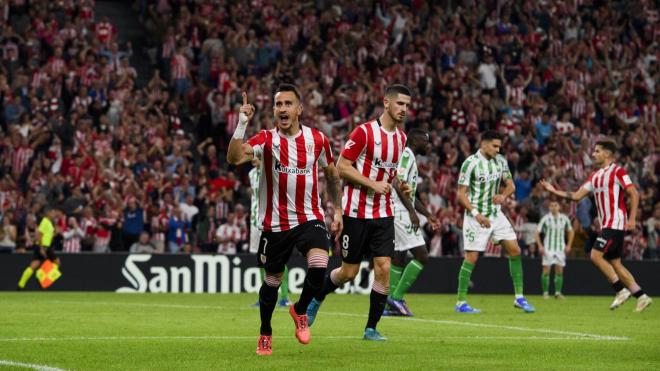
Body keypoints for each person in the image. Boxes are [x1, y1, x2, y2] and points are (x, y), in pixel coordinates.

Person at [227, 84, 343, 355]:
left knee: (319, 263)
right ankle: (265, 332)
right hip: (275, 223)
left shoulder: (317, 140)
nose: (282, 109)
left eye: (288, 104)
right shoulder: (266, 140)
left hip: (309, 217)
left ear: (299, 109)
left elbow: (332, 174)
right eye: (278, 104)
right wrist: (241, 124)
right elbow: (233, 158)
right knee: (272, 282)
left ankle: (299, 310)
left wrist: (337, 210)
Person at [306, 84, 416, 341]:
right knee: (348, 273)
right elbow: (341, 167)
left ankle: (371, 328)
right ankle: (316, 298)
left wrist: (402, 185)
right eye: (400, 104)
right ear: (386, 102)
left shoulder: (401, 138)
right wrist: (372, 184)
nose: (404, 110)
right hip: (356, 212)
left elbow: (391, 174)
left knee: (384, 268)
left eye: (408, 106)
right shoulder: (365, 132)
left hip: (383, 213)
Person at [540, 140, 652, 312]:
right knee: (615, 263)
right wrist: (553, 190)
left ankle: (620, 290)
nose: (593, 154)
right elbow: (577, 196)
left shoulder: (618, 171)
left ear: (607, 154)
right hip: (607, 224)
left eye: (597, 151)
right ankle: (641, 296)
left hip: (616, 221)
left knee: (595, 255)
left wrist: (632, 219)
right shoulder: (595, 176)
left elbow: (633, 192)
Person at [455, 130, 535, 313]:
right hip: (476, 217)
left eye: (499, 146)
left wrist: (503, 196)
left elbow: (511, 185)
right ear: (483, 144)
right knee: (471, 258)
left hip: (495, 214)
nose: (498, 150)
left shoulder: (500, 161)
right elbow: (460, 194)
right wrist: (476, 214)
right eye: (495, 146)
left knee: (515, 250)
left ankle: (519, 297)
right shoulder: (470, 163)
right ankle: (460, 302)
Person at [386, 129, 440, 316]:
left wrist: (427, 214)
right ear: (415, 141)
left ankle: (389, 305)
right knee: (422, 255)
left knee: (399, 257)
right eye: (425, 141)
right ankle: (396, 297)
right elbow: (397, 183)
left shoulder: (409, 157)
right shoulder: (407, 155)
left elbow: (411, 194)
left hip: (399, 210)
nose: (428, 145)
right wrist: (411, 213)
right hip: (401, 212)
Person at [248, 157, 291, 308]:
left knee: (278, 259)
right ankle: (263, 298)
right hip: (254, 222)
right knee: (260, 260)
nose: (253, 158)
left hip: (270, 220)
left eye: (256, 156)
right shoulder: (251, 173)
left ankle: (285, 297)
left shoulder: (272, 172)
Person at [535, 200, 574, 299]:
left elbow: (571, 231)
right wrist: (540, 246)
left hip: (560, 248)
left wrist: (569, 245)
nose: (553, 207)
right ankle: (545, 293)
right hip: (548, 248)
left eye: (555, 205)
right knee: (546, 271)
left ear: (559, 207)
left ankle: (557, 293)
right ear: (549, 208)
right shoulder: (545, 219)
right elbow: (536, 233)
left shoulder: (564, 219)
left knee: (559, 271)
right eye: (551, 205)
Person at [17, 206, 63, 290]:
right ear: (48, 213)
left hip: (40, 246)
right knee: (57, 263)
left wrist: (55, 234)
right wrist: (41, 248)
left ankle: (21, 285)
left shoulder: (49, 222)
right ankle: (40, 275)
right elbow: (38, 235)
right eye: (53, 212)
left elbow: (47, 236)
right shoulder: (45, 221)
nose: (54, 214)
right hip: (44, 247)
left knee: (33, 266)